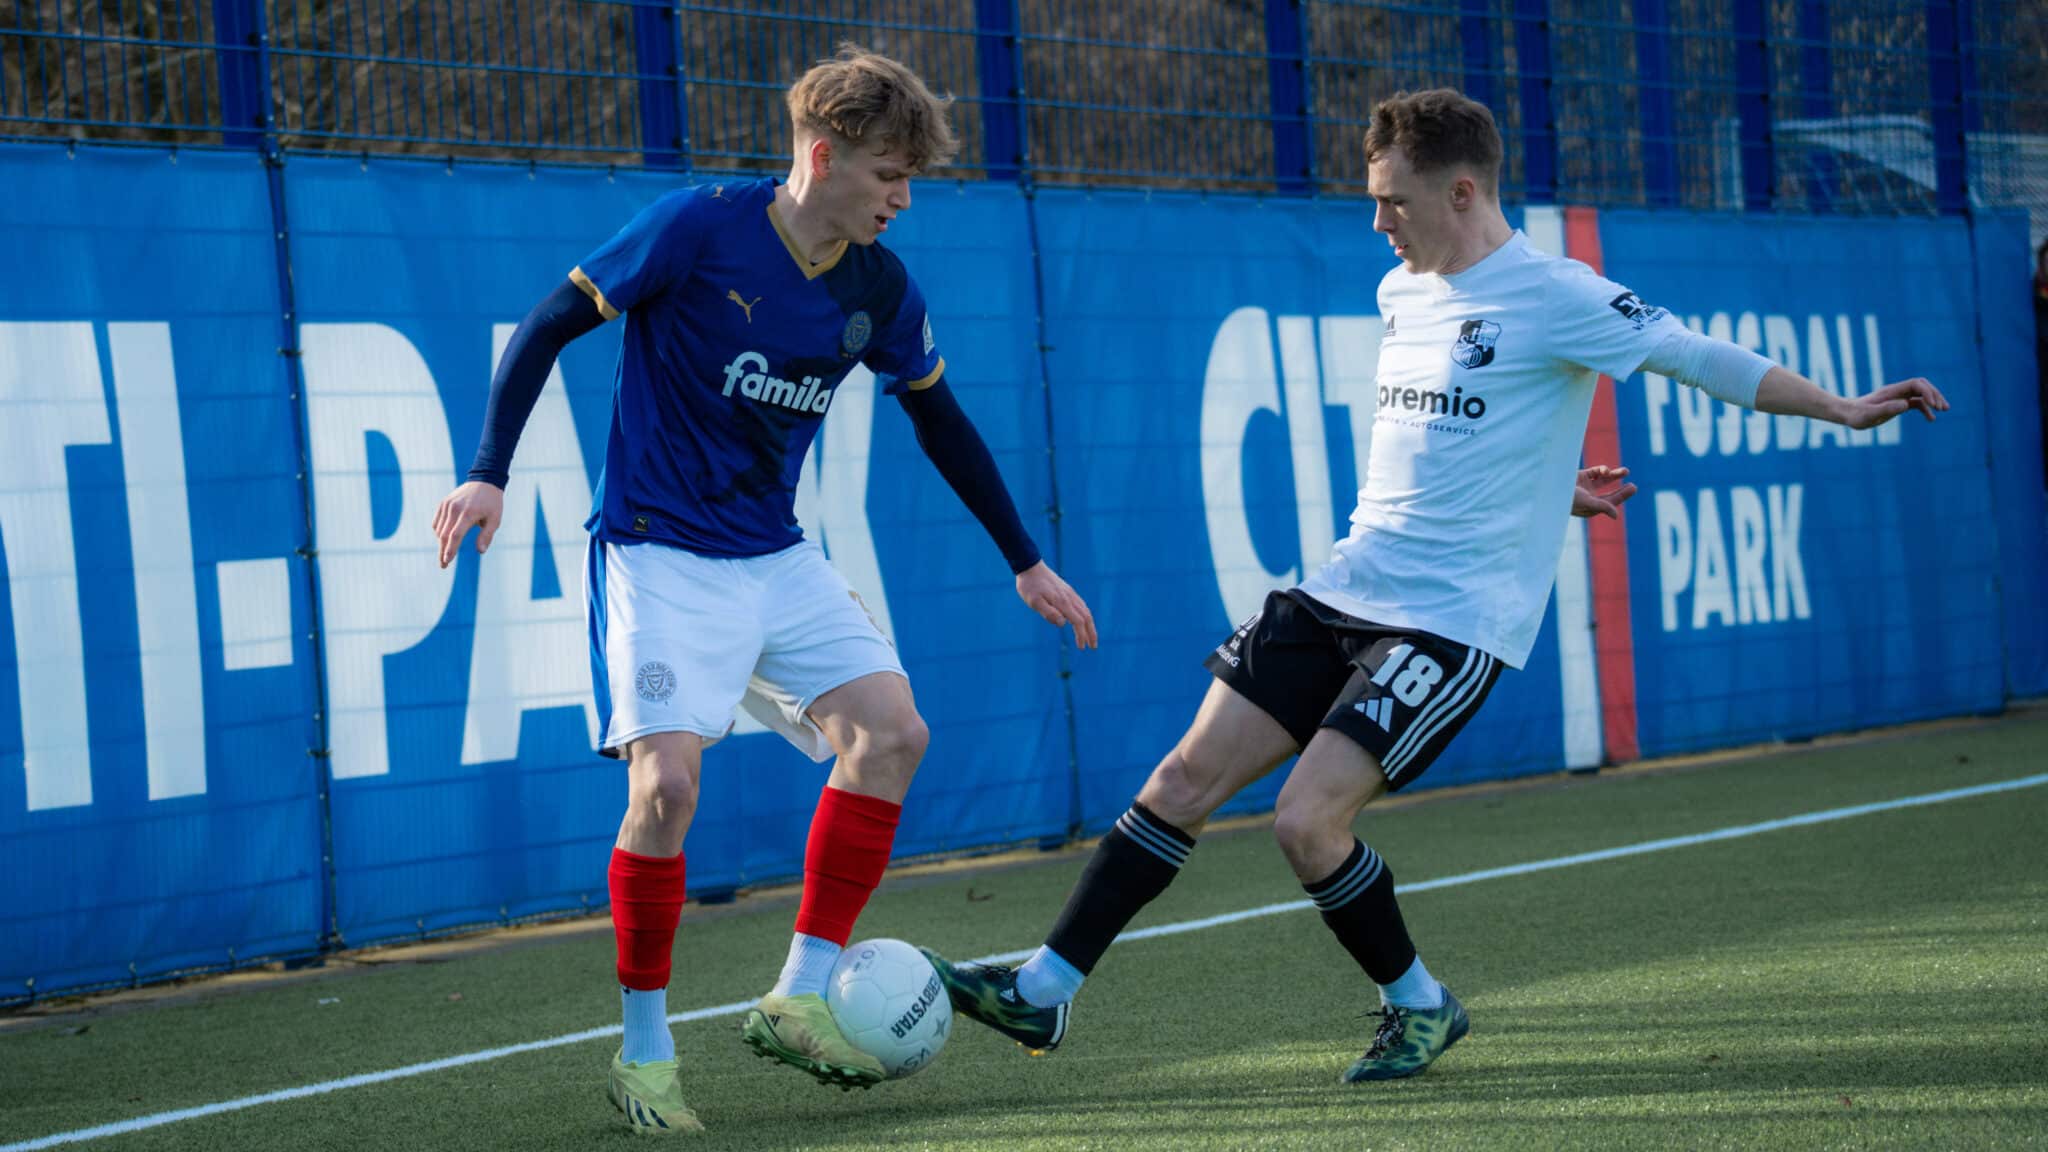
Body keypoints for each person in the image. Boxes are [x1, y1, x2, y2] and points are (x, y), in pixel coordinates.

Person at [923, 87, 1946, 1086]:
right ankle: (1043, 987)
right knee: (1178, 784)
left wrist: (1843, 410)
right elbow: (1442, 441)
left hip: (1451, 623)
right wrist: (1550, 487)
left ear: (1462, 191)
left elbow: (1694, 356)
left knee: (1304, 824)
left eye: (1393, 201)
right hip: (1342, 585)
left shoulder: (1560, 294)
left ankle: (1417, 1003)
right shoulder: (1400, 291)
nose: (1376, 222)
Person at [431, 45, 1097, 1134]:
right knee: (666, 793)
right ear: (822, 156)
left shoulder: (877, 287)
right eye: (888, 173)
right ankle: (644, 1057)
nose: (903, 197)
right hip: (655, 555)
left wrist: (1022, 556)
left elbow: (939, 416)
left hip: (774, 557)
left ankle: (796, 992)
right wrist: (487, 471)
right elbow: (548, 323)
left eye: (910, 177)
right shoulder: (695, 230)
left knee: (891, 732)